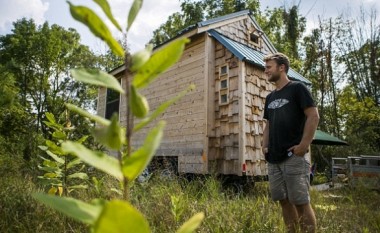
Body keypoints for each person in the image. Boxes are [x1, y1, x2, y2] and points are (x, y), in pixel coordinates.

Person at [262, 53, 320, 233]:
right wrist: (264, 146)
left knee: (301, 202)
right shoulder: (270, 98)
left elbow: (313, 116)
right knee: (283, 201)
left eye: (269, 66)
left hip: (293, 155)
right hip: (274, 158)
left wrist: (303, 145)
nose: (266, 70)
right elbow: (268, 125)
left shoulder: (297, 89)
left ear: (282, 67)